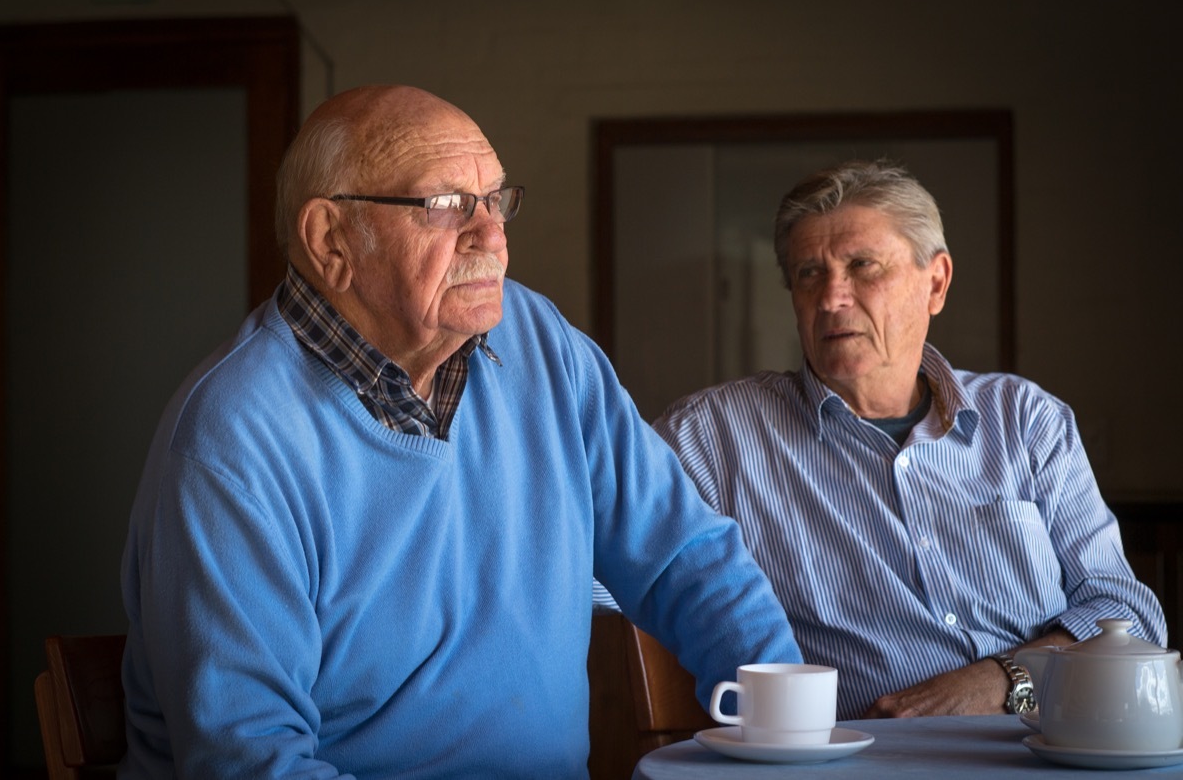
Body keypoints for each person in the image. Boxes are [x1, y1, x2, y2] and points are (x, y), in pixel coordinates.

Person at [118, 85, 801, 780]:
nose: (492, 236)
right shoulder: (232, 438)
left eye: (495, 201)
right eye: (444, 206)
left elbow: (684, 556)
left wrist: (789, 741)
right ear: (331, 242)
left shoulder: (541, 344)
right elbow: (251, 759)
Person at [651, 158, 1166, 721]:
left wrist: (1001, 680)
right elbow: (596, 565)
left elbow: (1128, 613)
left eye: (862, 266)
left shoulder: (1026, 420)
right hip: (868, 761)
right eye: (808, 274)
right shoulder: (714, 435)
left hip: (1053, 752)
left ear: (936, 282)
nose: (830, 299)